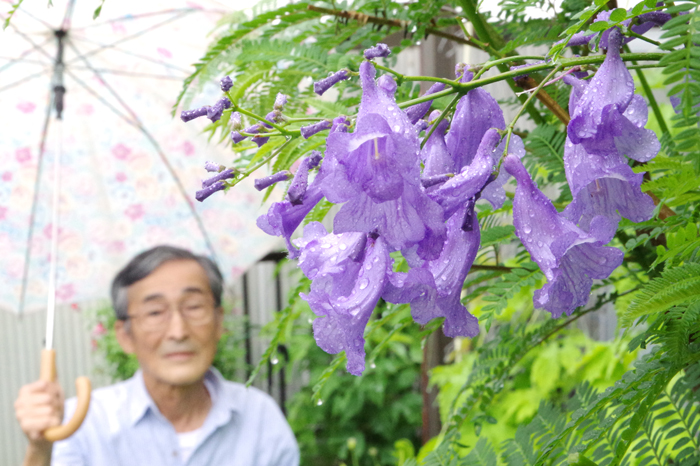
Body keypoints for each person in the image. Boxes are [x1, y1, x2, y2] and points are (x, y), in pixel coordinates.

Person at [15, 245, 299, 466]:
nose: (178, 331)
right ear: (125, 335)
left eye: (194, 306)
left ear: (219, 322)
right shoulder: (82, 423)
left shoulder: (259, 417)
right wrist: (40, 449)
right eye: (154, 312)